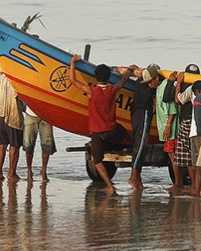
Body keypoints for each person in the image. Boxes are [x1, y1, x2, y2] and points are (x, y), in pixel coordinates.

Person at [69, 54, 133, 195]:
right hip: (113, 131)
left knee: (97, 161)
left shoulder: (91, 91)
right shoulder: (112, 89)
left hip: (97, 133)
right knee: (131, 142)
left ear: (96, 78)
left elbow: (72, 80)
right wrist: (129, 70)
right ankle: (134, 172)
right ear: (108, 77)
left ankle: (109, 185)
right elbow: (122, 81)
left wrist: (72, 63)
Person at [0, 65, 25, 181]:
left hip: (1, 115)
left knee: (2, 145)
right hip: (13, 115)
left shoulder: (0, 77)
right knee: (15, 145)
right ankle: (11, 173)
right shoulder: (17, 79)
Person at [128, 64, 162, 191]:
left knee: (139, 144)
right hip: (143, 114)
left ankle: (137, 177)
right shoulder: (149, 88)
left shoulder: (139, 81)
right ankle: (133, 176)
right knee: (141, 145)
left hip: (136, 113)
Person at [174, 63, 201, 191]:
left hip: (187, 122)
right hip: (199, 124)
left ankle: (195, 185)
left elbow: (178, 100)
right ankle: (198, 184)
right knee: (196, 154)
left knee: (189, 155)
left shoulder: (190, 89)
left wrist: (178, 82)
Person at [156, 70, 181, 192]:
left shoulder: (164, 87)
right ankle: (178, 182)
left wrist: (168, 126)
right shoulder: (161, 87)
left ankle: (178, 183)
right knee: (172, 156)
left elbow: (172, 109)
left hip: (170, 130)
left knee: (173, 157)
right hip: (166, 128)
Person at [23, 111, 56, 182]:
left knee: (47, 143)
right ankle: (29, 170)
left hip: (47, 115)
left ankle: (44, 170)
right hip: (30, 114)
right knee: (28, 144)